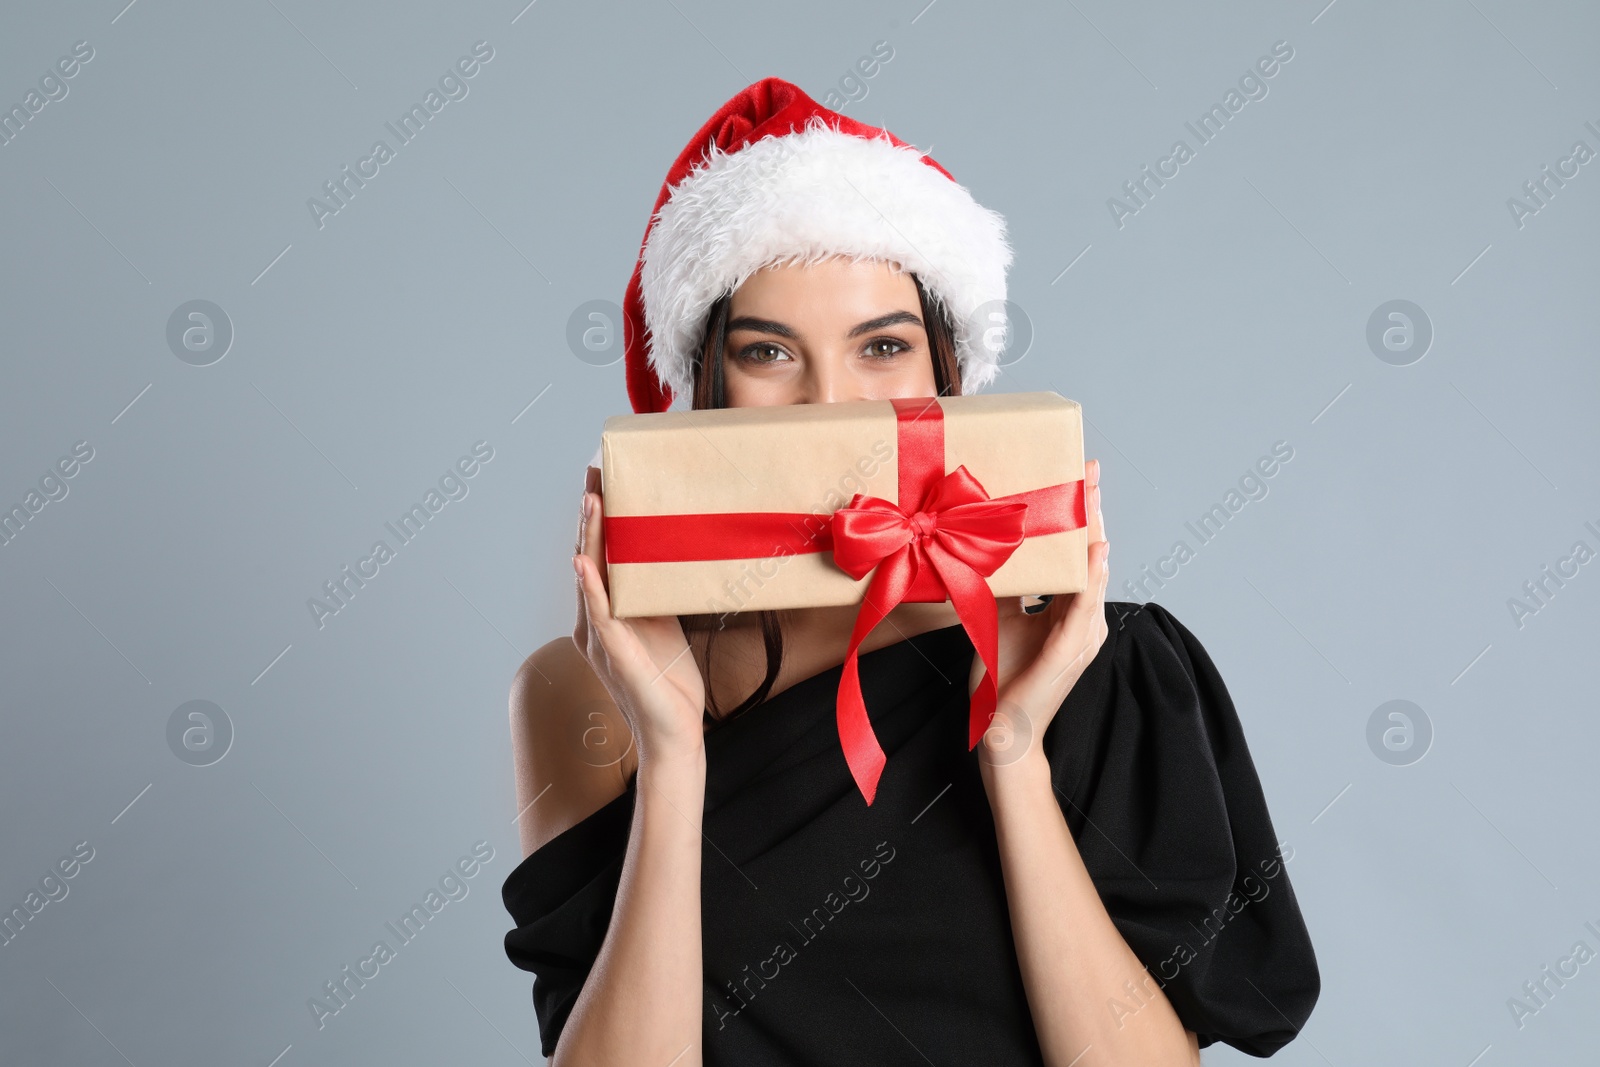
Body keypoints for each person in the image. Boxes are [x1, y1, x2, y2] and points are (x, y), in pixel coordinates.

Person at [501, 77, 1320, 1066]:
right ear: (706, 385)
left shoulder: (1091, 658)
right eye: (769, 352)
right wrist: (672, 756)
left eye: (881, 345)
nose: (828, 401)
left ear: (948, 370)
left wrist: (1013, 754)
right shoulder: (584, 689)